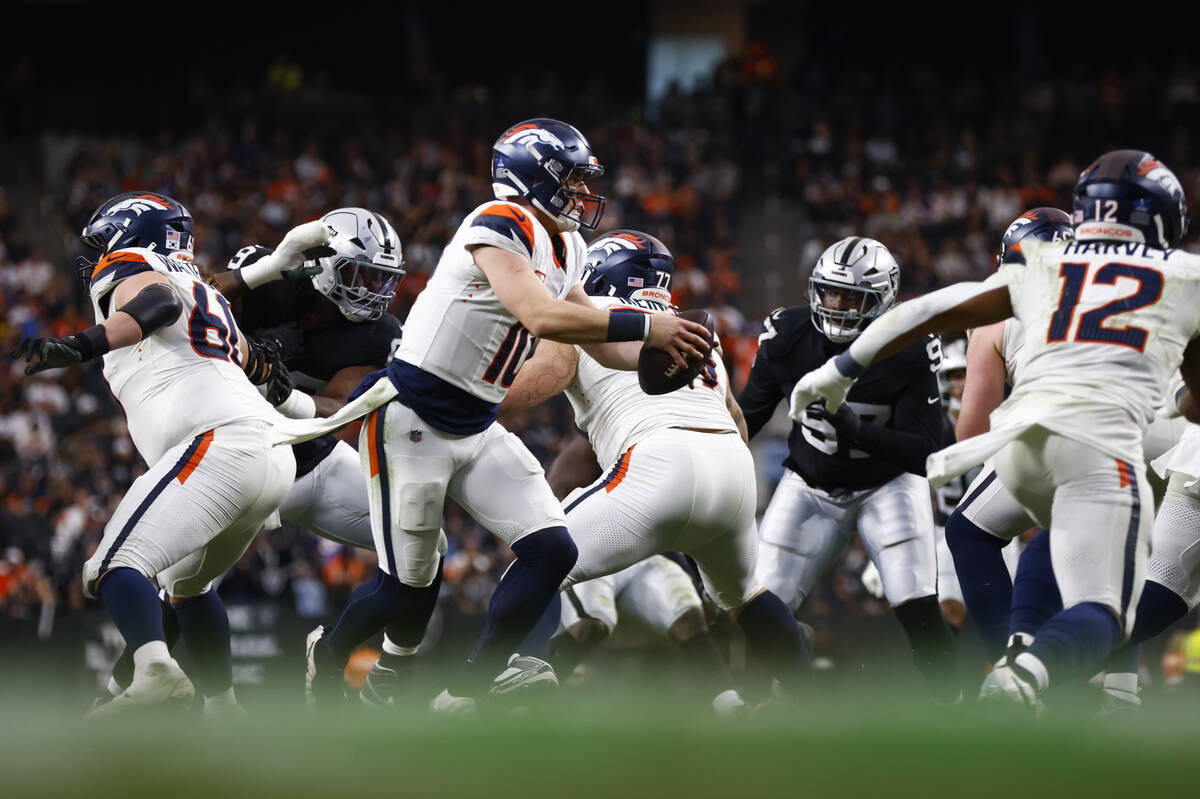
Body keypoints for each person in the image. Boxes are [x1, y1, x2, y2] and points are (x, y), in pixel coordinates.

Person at [273, 119, 711, 711]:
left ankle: (469, 690)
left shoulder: (569, 243)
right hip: (412, 420)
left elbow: (605, 349)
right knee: (406, 588)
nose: (583, 192)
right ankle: (327, 658)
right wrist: (648, 324)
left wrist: (667, 354)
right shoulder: (497, 222)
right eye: (572, 178)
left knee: (554, 550)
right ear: (531, 175)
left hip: (476, 424)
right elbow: (541, 317)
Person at [789, 150, 1200, 709]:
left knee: (987, 529)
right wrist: (1179, 398)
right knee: (1108, 605)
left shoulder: (1046, 270)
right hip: (1117, 439)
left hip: (1023, 436)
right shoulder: (1183, 274)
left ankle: (1015, 650)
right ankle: (1038, 676)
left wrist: (839, 370)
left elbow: (931, 310)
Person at [100, 207, 436, 709]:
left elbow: (346, 406)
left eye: (381, 278)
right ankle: (127, 690)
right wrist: (267, 278)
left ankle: (374, 661)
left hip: (311, 458)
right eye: (360, 273)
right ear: (322, 263)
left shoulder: (377, 332)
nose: (372, 290)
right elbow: (196, 291)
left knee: (424, 541)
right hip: (230, 454)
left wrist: (276, 385)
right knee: (180, 587)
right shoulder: (269, 277)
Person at [10, 192, 299, 715]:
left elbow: (157, 304)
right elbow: (264, 371)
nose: (98, 256)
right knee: (187, 587)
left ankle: (153, 670)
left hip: (218, 442)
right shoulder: (209, 294)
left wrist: (80, 344)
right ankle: (223, 712)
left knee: (115, 565)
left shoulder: (136, 264)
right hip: (269, 453)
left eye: (104, 241)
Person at [502, 229, 811, 707]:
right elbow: (735, 418)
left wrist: (453, 383)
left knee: (536, 562)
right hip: (730, 467)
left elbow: (524, 392)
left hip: (656, 462)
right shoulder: (692, 332)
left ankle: (484, 688)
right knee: (746, 595)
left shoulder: (590, 315)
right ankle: (804, 702)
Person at [737, 236, 957, 699]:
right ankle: (758, 703)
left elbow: (924, 451)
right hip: (810, 483)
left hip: (887, 483)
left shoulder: (911, 345)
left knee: (914, 600)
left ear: (882, 300)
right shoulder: (787, 335)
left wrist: (853, 426)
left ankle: (952, 700)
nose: (836, 305)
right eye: (829, 292)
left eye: (851, 296)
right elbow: (747, 419)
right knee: (761, 601)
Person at [943, 208, 1073, 662]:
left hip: (1068, 430)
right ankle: (1119, 690)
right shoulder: (1114, 287)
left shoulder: (998, 306)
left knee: (968, 531)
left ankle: (1011, 665)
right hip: (1155, 441)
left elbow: (971, 435)